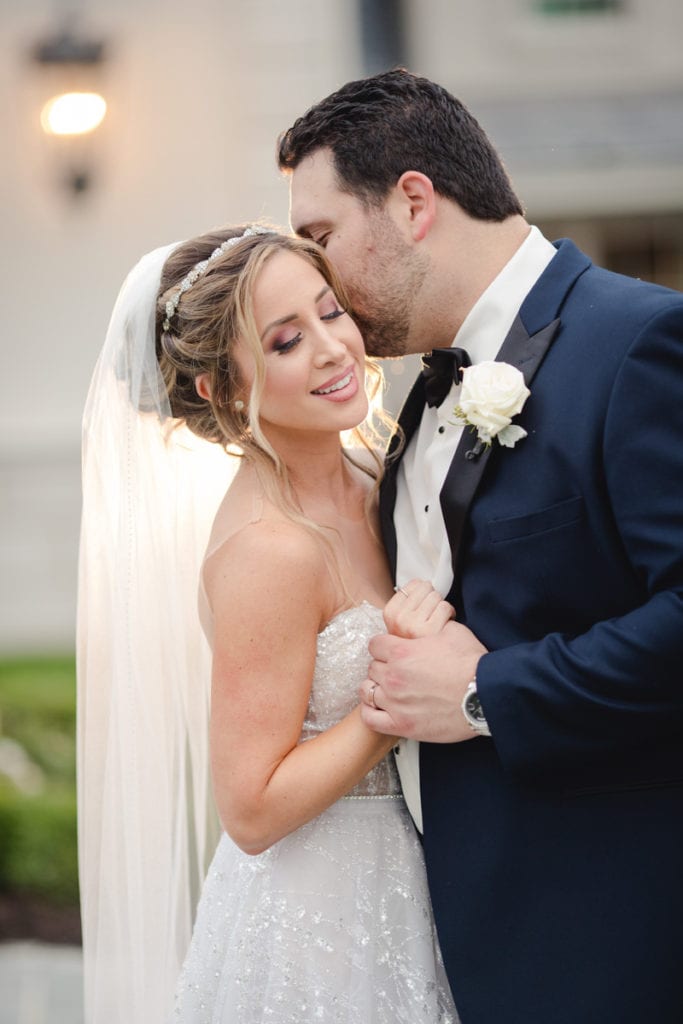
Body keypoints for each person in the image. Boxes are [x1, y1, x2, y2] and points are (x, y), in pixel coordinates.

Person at [277, 69, 683, 1024]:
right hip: (449, 934)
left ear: (412, 201)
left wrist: (482, 690)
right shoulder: (419, 395)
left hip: (615, 934)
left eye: (321, 237)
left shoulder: (640, 344)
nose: (319, 276)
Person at [78, 224, 460, 1023]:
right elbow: (249, 807)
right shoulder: (269, 550)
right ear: (221, 389)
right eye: (287, 341)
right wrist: (393, 696)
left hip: (413, 875)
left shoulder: (370, 471)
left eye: (331, 312)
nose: (332, 349)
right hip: (320, 919)